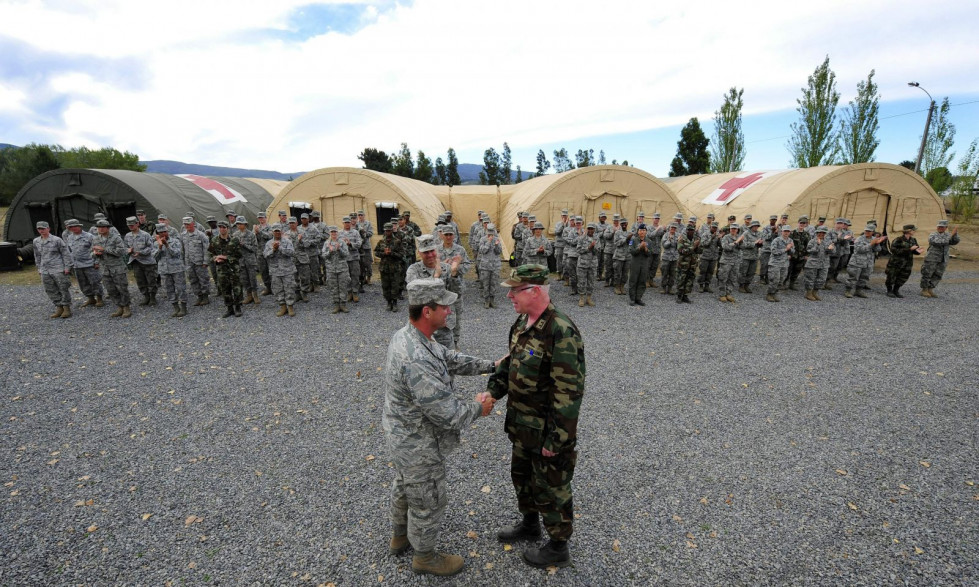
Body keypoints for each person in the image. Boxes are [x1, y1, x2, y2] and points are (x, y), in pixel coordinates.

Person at [382, 278, 497, 577]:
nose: (450, 310)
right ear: (427, 311)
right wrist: (479, 408)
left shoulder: (413, 336)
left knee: (405, 486)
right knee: (428, 498)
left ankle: (399, 537)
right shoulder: (416, 357)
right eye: (444, 306)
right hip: (417, 441)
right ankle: (425, 557)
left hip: (403, 435)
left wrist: (491, 364)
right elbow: (447, 415)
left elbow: (449, 358)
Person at [486, 265, 585, 569]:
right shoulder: (521, 322)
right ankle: (530, 524)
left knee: (552, 486)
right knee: (523, 478)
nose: (509, 295)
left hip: (546, 431)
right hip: (522, 425)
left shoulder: (561, 331)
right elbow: (510, 365)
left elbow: (568, 393)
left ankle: (558, 546)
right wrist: (492, 391)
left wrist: (557, 439)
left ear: (536, 291)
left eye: (515, 290)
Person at [437, 227, 471, 349]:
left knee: (456, 317)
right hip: (441, 290)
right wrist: (444, 266)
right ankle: (441, 343)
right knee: (440, 316)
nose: (448, 237)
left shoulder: (460, 250)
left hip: (456, 288)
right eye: (446, 234)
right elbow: (432, 268)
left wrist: (456, 270)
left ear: (454, 235)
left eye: (450, 234)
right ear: (441, 235)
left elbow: (467, 264)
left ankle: (455, 342)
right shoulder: (437, 250)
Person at [32, 221, 73, 318]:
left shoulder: (57, 240)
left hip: (58, 268)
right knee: (50, 289)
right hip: (45, 269)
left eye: (43, 228)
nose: (41, 231)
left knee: (63, 287)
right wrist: (39, 268)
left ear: (48, 229)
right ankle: (59, 306)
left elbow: (65, 254)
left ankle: (66, 307)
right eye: (39, 229)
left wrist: (67, 267)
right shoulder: (36, 241)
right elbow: (37, 255)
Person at [92, 219, 132, 317]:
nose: (100, 229)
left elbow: (121, 251)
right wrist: (95, 254)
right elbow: (92, 252)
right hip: (105, 269)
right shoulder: (96, 239)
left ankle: (126, 307)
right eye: (99, 227)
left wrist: (105, 249)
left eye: (103, 227)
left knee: (122, 288)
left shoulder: (115, 238)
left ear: (108, 228)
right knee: (111, 289)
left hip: (117, 268)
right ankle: (119, 306)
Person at [64, 219, 105, 308]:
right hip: (77, 265)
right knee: (83, 283)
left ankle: (99, 298)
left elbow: (97, 250)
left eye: (75, 226)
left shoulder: (89, 236)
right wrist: (70, 264)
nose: (74, 228)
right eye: (71, 227)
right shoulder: (69, 237)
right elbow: (69, 251)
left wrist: (96, 262)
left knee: (95, 281)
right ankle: (90, 298)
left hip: (89, 263)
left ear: (80, 226)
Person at [209, 220, 244, 317]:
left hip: (233, 268)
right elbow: (210, 254)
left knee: (236, 288)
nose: (222, 229)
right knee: (225, 289)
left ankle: (237, 307)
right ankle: (229, 308)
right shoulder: (214, 240)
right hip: (221, 269)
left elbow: (239, 255)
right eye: (220, 227)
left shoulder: (235, 240)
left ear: (228, 229)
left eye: (224, 227)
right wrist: (215, 258)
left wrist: (226, 258)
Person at [153, 225, 188, 317]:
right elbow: (154, 258)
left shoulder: (175, 241)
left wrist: (167, 245)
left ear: (167, 232)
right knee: (169, 290)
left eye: (165, 232)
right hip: (164, 270)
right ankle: (176, 307)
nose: (163, 234)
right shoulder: (156, 244)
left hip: (177, 269)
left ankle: (184, 307)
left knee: (181, 288)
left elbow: (177, 254)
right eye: (160, 232)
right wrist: (160, 247)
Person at [124, 215, 159, 306]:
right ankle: (146, 296)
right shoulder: (127, 236)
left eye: (132, 225)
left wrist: (140, 252)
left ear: (137, 224)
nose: (131, 227)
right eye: (129, 225)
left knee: (151, 280)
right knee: (140, 280)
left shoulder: (145, 235)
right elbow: (125, 248)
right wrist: (128, 251)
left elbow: (151, 248)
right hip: (135, 262)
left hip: (147, 262)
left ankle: (152, 297)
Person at [920, 220, 960, 298]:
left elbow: (954, 241)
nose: (940, 228)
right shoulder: (933, 235)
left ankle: (930, 289)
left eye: (942, 227)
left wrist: (955, 234)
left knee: (938, 274)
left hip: (943, 259)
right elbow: (938, 242)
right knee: (927, 273)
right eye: (939, 226)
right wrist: (950, 235)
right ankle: (924, 289)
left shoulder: (948, 235)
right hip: (932, 258)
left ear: (946, 228)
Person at [844, 225, 886, 299]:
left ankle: (859, 290)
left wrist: (877, 243)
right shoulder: (859, 239)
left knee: (864, 277)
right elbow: (860, 250)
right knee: (853, 277)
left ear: (872, 232)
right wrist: (871, 244)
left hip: (868, 263)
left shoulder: (874, 239)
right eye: (866, 231)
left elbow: (878, 250)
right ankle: (848, 291)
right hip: (857, 262)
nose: (867, 232)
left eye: (869, 231)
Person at [264, 224, 297, 317]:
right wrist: (273, 250)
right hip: (275, 271)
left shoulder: (287, 241)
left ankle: (290, 306)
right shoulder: (268, 243)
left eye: (278, 231)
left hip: (287, 270)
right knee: (278, 290)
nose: (277, 233)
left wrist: (280, 248)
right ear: (272, 232)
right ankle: (283, 306)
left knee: (289, 288)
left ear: (281, 232)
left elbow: (292, 253)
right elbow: (265, 255)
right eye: (275, 231)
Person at [885, 224, 924, 298]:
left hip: (907, 263)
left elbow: (914, 250)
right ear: (908, 231)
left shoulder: (913, 240)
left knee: (903, 276)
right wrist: (909, 249)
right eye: (913, 230)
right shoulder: (898, 239)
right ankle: (889, 290)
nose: (914, 231)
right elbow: (893, 250)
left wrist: (918, 251)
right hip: (896, 262)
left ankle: (896, 290)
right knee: (892, 276)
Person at [181, 216, 212, 306]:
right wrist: (183, 262)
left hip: (200, 262)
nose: (187, 226)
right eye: (185, 224)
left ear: (193, 224)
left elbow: (207, 249)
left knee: (203, 279)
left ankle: (205, 296)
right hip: (189, 262)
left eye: (188, 224)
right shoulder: (183, 235)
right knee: (193, 279)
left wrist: (206, 262)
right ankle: (199, 296)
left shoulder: (201, 235)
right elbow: (182, 250)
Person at [375, 222, 405, 311]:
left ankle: (395, 302)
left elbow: (402, 254)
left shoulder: (397, 242)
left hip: (394, 267)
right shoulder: (381, 242)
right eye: (386, 231)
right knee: (385, 285)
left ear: (392, 230)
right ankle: (389, 302)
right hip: (384, 268)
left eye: (389, 231)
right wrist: (383, 253)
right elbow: (376, 252)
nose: (387, 232)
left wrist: (392, 253)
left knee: (395, 285)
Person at [322, 226, 351, 314]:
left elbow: (346, 254)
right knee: (334, 287)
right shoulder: (326, 243)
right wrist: (329, 252)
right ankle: (336, 305)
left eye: (335, 232)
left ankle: (343, 304)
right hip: (331, 269)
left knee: (342, 286)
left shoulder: (342, 242)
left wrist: (339, 250)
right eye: (332, 232)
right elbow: (323, 256)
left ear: (337, 233)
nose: (334, 234)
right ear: (330, 233)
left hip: (342, 269)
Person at [233, 216, 261, 305]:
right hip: (241, 261)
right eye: (237, 224)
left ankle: (255, 295)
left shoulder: (251, 235)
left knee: (252, 279)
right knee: (244, 279)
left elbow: (255, 248)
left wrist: (244, 245)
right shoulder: (235, 235)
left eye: (240, 224)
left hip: (250, 261)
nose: (238, 226)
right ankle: (249, 295)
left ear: (245, 224)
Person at [803, 225, 834, 301]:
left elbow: (833, 252)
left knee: (822, 279)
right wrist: (817, 245)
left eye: (823, 233)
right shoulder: (812, 241)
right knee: (810, 279)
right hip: (813, 263)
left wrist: (830, 249)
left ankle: (814, 292)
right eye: (820, 233)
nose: (821, 234)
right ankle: (808, 293)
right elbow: (809, 251)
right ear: (817, 233)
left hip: (824, 264)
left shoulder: (828, 241)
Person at [478, 224, 504, 308]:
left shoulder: (497, 239)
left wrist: (496, 245)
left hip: (495, 265)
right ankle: (486, 300)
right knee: (486, 283)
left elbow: (499, 252)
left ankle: (492, 300)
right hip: (485, 266)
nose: (490, 234)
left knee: (493, 283)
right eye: (489, 233)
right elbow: (482, 251)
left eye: (492, 232)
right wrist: (489, 242)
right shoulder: (482, 239)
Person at [338, 216, 363, 303]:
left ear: (350, 223)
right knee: (346, 277)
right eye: (345, 222)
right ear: (343, 223)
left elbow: (359, 244)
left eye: (348, 222)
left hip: (354, 258)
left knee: (355, 275)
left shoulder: (355, 232)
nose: (347, 224)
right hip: (344, 259)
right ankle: (349, 292)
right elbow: (337, 244)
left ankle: (355, 292)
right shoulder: (339, 233)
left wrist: (350, 244)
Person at [766, 225, 794, 302]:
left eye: (788, 231)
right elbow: (774, 251)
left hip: (784, 264)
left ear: (790, 232)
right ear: (782, 232)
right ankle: (770, 294)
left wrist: (790, 252)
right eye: (785, 231)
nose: (786, 233)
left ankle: (775, 293)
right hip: (775, 263)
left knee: (781, 280)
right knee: (774, 280)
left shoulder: (790, 241)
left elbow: (793, 251)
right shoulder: (776, 240)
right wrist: (786, 249)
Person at [675, 224, 701, 303]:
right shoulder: (682, 239)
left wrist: (698, 247)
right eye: (689, 230)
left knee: (690, 280)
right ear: (686, 231)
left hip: (692, 264)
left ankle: (685, 295)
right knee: (681, 279)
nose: (690, 232)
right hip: (683, 264)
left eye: (692, 230)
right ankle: (679, 296)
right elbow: (681, 251)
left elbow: (700, 251)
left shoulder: (696, 239)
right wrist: (693, 246)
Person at [717, 223, 743, 302]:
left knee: (732, 278)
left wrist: (740, 242)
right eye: (732, 229)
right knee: (723, 277)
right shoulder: (726, 237)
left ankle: (728, 293)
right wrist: (735, 242)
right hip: (726, 261)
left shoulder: (739, 237)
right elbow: (725, 247)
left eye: (735, 229)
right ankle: (722, 294)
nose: (733, 230)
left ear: (737, 230)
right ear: (730, 229)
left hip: (736, 261)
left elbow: (743, 247)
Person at [575, 222, 599, 307]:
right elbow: (578, 250)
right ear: (586, 229)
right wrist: (588, 248)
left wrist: (593, 248)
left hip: (592, 264)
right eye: (589, 228)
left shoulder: (597, 239)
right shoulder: (581, 238)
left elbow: (598, 251)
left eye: (592, 229)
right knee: (581, 281)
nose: (590, 230)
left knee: (591, 281)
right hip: (582, 264)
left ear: (594, 230)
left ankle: (589, 298)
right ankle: (581, 298)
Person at [627, 223, 652, 306]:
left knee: (642, 281)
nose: (642, 232)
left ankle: (638, 298)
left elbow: (650, 254)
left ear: (646, 232)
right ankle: (632, 298)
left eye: (644, 230)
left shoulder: (649, 241)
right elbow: (632, 251)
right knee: (633, 280)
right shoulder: (633, 240)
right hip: (635, 263)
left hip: (644, 264)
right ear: (638, 231)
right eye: (641, 230)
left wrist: (645, 249)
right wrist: (639, 247)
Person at [697, 222, 720, 293]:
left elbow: (720, 245)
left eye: (716, 228)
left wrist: (720, 238)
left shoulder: (717, 235)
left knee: (710, 272)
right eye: (713, 227)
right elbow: (704, 244)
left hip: (713, 257)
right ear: (710, 227)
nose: (714, 229)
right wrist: (712, 237)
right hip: (705, 257)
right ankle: (701, 285)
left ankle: (707, 286)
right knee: (703, 271)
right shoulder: (705, 234)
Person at [659, 223, 679, 295]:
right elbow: (665, 246)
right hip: (666, 258)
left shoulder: (678, 235)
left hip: (674, 258)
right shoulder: (666, 235)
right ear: (669, 228)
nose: (673, 229)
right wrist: (669, 240)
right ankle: (664, 288)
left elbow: (679, 246)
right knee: (664, 273)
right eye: (672, 228)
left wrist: (678, 241)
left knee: (672, 273)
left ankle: (670, 288)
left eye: (674, 228)